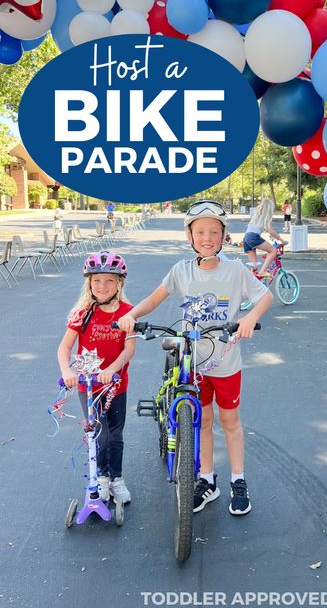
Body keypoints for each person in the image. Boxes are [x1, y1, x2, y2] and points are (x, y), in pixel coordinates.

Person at [117, 200, 273, 515]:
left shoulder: (235, 270)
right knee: (202, 422)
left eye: (214, 231)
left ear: (223, 235)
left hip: (226, 363)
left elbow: (265, 296)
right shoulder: (181, 271)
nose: (207, 237)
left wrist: (247, 318)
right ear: (190, 236)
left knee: (230, 421)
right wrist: (131, 315)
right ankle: (206, 480)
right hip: (193, 364)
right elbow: (153, 299)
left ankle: (238, 481)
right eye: (200, 231)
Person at [57, 251, 136, 504]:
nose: (102, 286)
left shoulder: (128, 313)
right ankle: (101, 478)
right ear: (89, 283)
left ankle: (117, 478)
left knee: (116, 434)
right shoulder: (82, 313)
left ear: (119, 283)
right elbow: (64, 348)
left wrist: (112, 368)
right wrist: (67, 371)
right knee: (98, 434)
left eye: (109, 280)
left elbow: (130, 348)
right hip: (88, 386)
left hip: (116, 385)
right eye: (97, 280)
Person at [243, 198, 287, 278]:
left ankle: (253, 284)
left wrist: (272, 236)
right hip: (253, 237)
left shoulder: (256, 216)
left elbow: (264, 230)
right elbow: (270, 230)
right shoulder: (266, 217)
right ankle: (263, 271)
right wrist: (281, 240)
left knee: (254, 267)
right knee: (273, 251)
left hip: (246, 238)